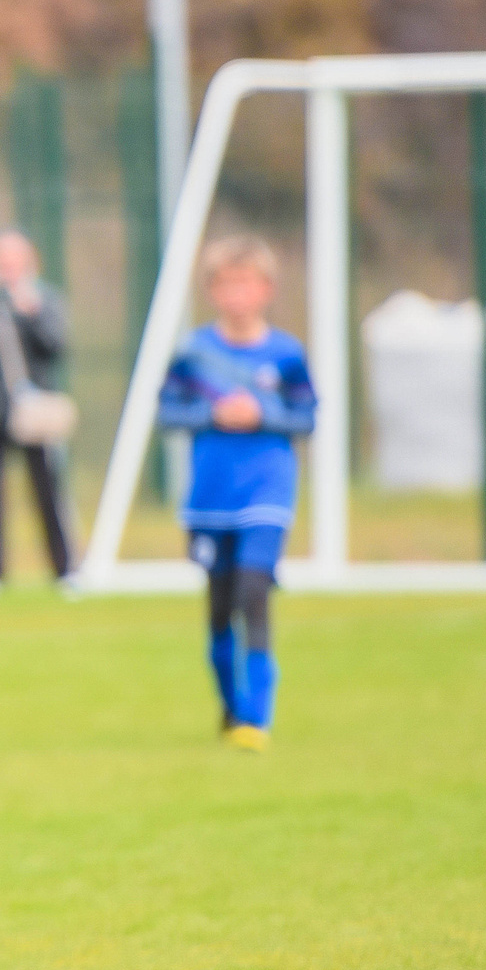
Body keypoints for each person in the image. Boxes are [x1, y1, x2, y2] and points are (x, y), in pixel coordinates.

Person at [155, 235, 315, 751]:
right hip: (210, 496)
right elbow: (166, 411)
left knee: (254, 589)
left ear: (266, 290)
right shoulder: (196, 352)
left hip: (268, 489)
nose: (236, 294)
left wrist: (264, 414)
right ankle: (230, 706)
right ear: (211, 291)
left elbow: (307, 415)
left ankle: (256, 716)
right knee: (220, 606)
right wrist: (213, 414)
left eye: (245, 283)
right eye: (225, 284)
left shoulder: (286, 354)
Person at [0, 229, 77, 597]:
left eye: (14, 262)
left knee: (48, 491)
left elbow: (56, 346)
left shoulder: (45, 299)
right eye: (1, 262)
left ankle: (65, 568)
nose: (7, 270)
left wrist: (32, 312)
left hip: (35, 412)